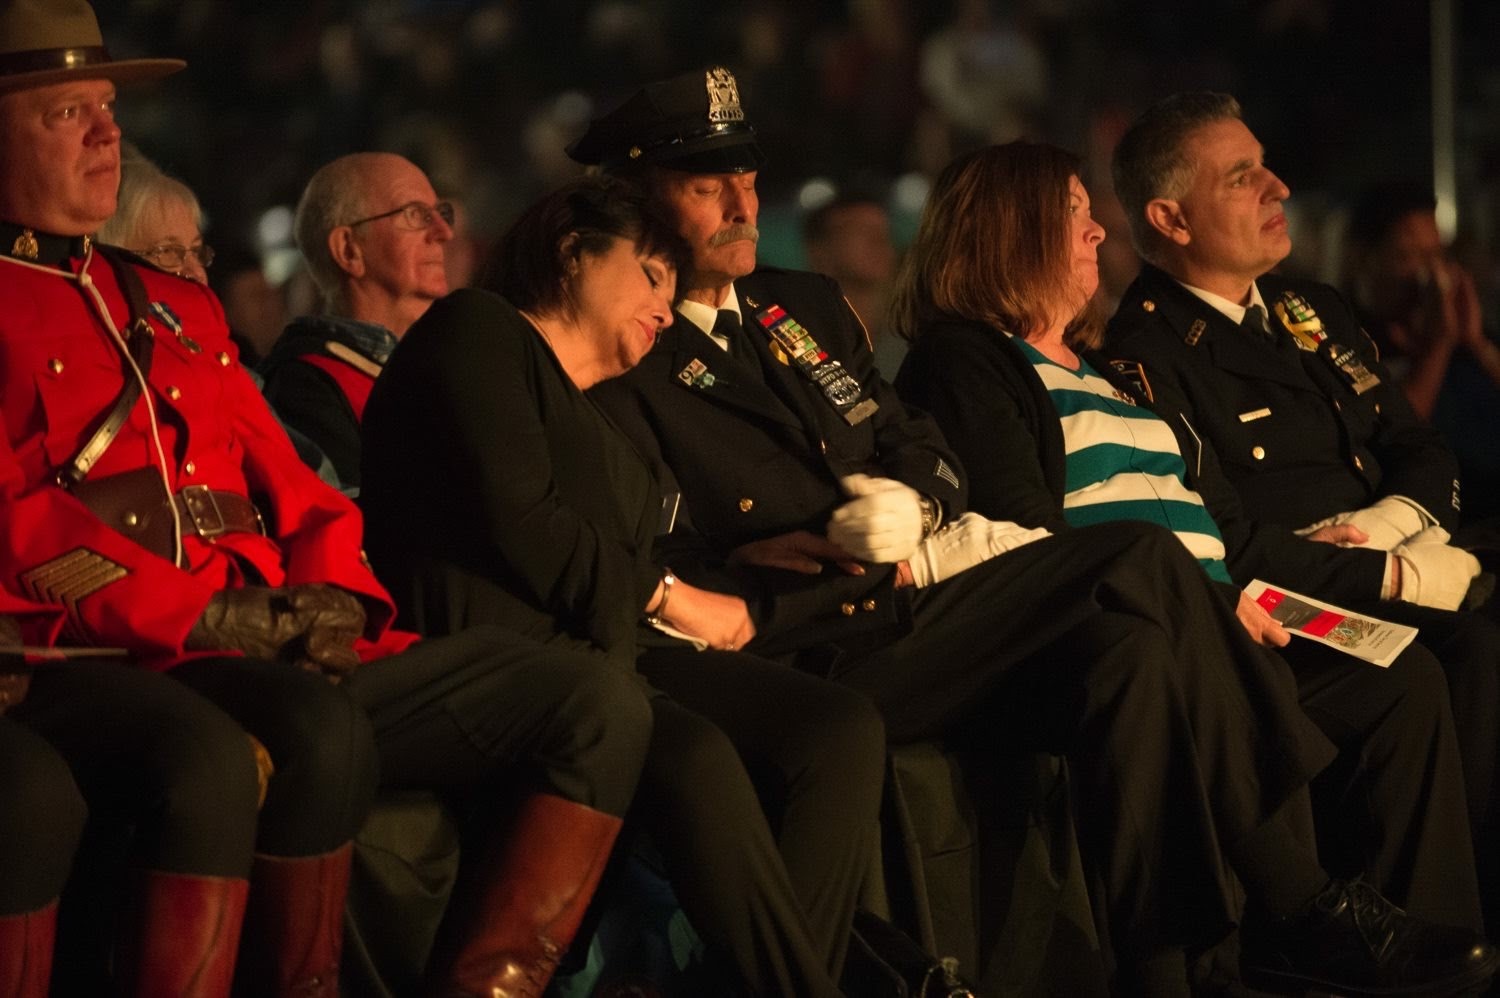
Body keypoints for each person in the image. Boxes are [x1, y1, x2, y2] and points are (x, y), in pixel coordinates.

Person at [573, 66, 1497, 996]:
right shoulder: (628, 341)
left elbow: (919, 447)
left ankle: (1171, 976)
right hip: (809, 633)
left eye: (749, 179)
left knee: (1134, 655)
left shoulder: (796, 306)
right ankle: (1301, 904)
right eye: (706, 185)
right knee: (1142, 560)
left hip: (910, 607)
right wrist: (764, 554)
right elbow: (648, 539)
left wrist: (915, 505)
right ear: (639, 202)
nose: (743, 204)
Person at [0, 4, 656, 996]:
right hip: (119, 642)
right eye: (67, 114)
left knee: (598, 699)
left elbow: (300, 487)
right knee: (248, 751)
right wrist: (201, 609)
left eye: (107, 107)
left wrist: (335, 592)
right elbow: (21, 521)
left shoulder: (170, 303)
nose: (108, 133)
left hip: (267, 634)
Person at [892, 140, 1483, 941]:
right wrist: (1206, 609)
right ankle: (1301, 935)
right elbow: (1033, 534)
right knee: (1283, 686)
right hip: (1140, 625)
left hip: (1235, 601)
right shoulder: (966, 357)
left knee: (1402, 677)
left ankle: (1427, 943)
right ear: (1011, 231)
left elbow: (1212, 512)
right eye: (1074, 213)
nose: (1100, 231)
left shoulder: (1112, 366)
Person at [361, 175, 886, 998]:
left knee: (837, 727)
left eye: (675, 293)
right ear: (573, 254)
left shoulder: (601, 410)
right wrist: (675, 598)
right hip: (508, 660)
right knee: (699, 755)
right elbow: (527, 522)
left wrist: (738, 563)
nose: (665, 309)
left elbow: (644, 553)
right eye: (649, 276)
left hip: (613, 653)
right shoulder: (478, 332)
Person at [1103, 91, 1500, 924]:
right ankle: (1427, 942)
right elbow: (1227, 545)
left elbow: (1419, 447)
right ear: (1171, 220)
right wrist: (1389, 575)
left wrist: (1393, 533)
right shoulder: (1145, 357)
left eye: (1265, 165)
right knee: (1439, 661)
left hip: (1401, 554)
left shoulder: (1310, 311)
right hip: (1287, 605)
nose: (1278, 187)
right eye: (1242, 178)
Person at [259, 152, 454, 490]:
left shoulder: (456, 363)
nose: (444, 232)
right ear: (349, 250)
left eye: (440, 214)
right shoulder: (305, 388)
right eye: (415, 215)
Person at [1343, 180, 1500, 523]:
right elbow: (1395, 431)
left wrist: (1475, 343)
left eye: (1435, 256)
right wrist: (1438, 345)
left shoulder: (1461, 333)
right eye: (1406, 256)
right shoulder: (1348, 337)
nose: (1427, 274)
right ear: (1365, 257)